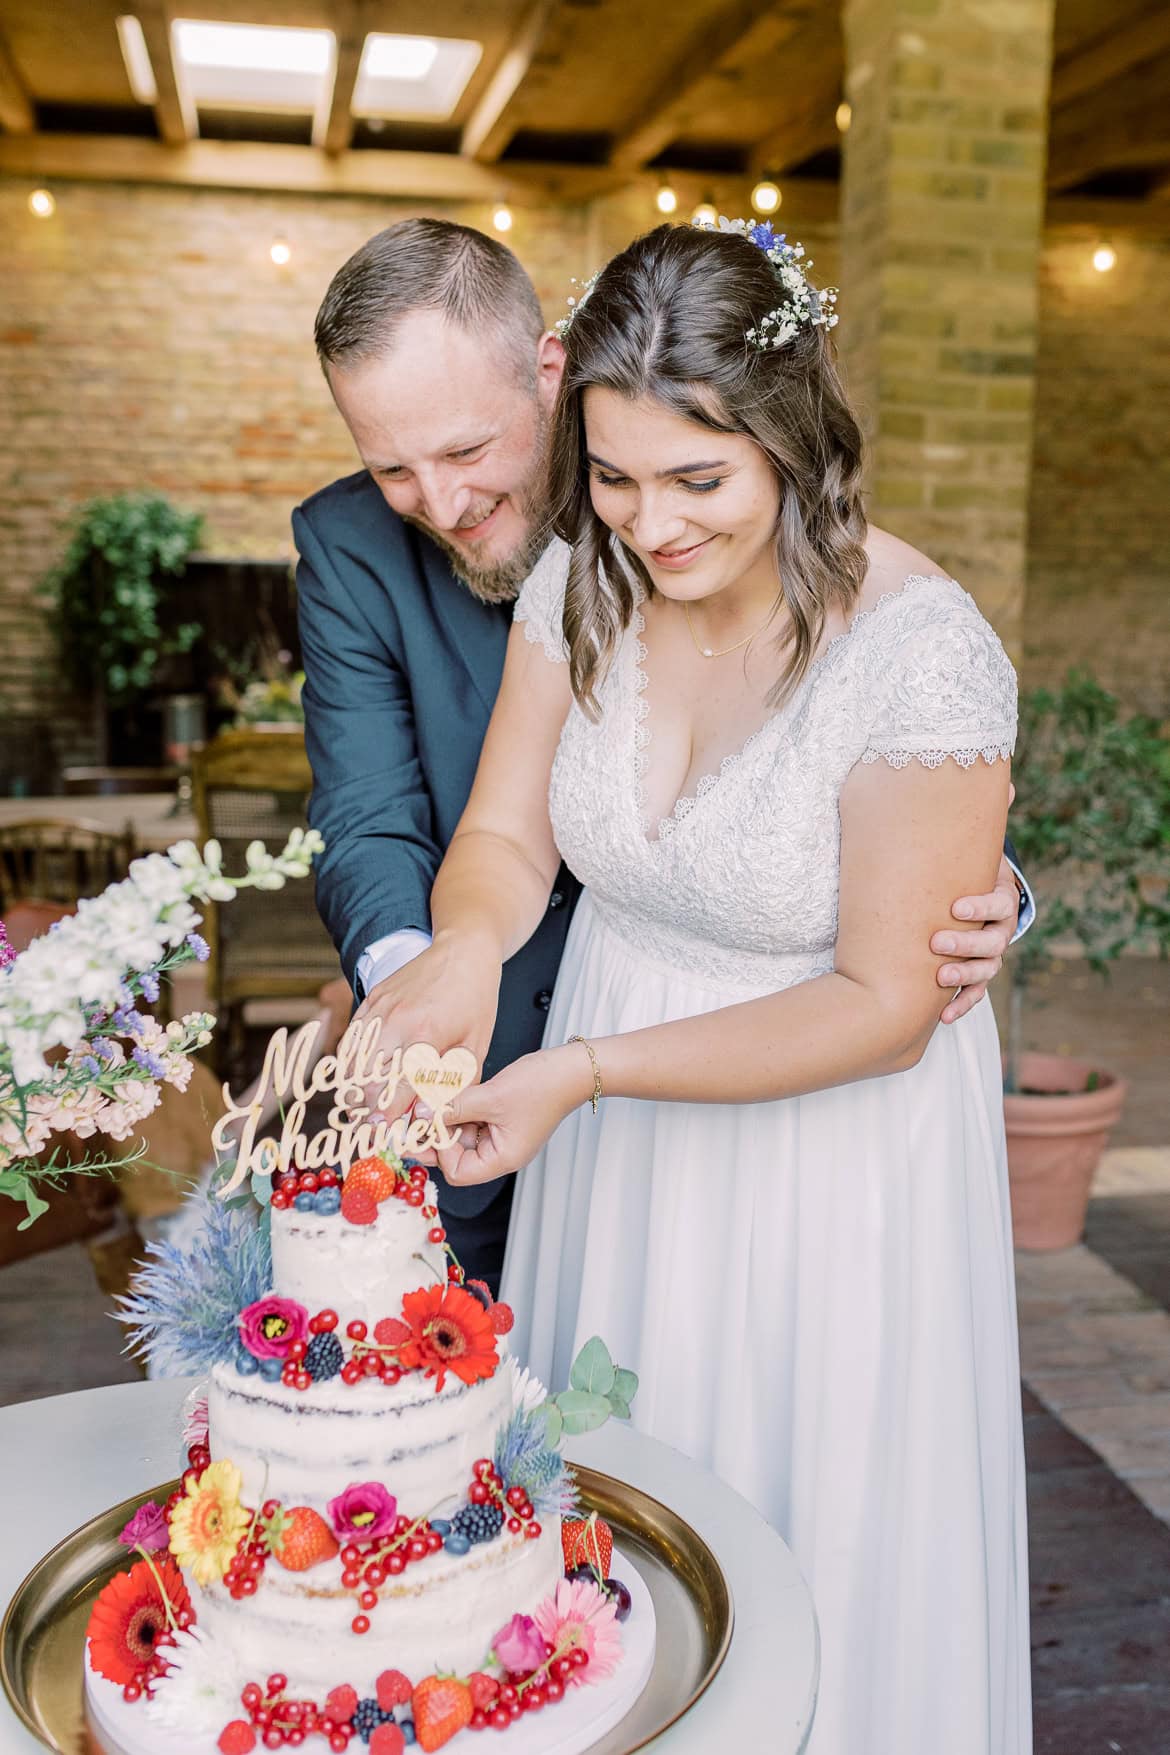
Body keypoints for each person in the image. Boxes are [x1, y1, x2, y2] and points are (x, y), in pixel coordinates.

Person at [388, 221, 1031, 1754]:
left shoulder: (922, 654)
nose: (649, 524)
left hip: (829, 1158)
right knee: (618, 1537)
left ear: (792, 443)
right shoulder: (582, 580)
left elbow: (885, 1002)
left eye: (699, 479)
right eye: (612, 476)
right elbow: (500, 833)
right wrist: (469, 946)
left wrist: (586, 1067)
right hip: (611, 1149)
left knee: (810, 1535)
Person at [295, 217, 1029, 1292]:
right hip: (553, 1103)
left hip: (805, 1143)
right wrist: (443, 963)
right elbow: (407, 817)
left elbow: (901, 770)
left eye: (465, 451)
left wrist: (971, 884)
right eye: (395, 468)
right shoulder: (536, 569)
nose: (441, 503)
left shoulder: (895, 623)